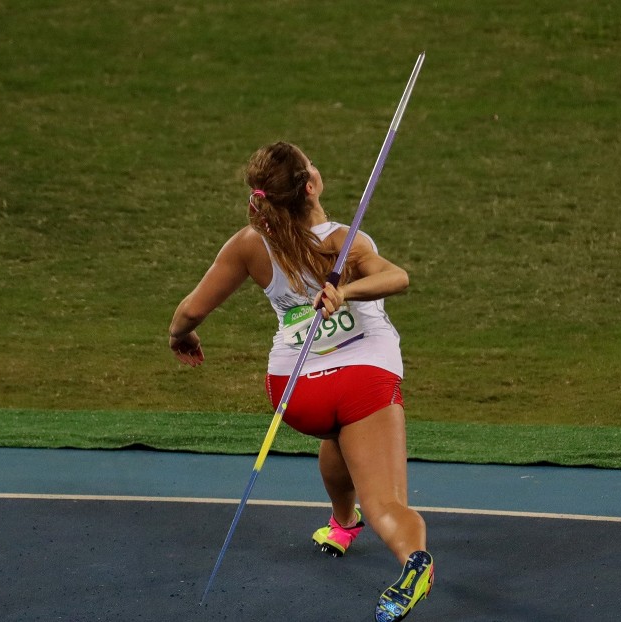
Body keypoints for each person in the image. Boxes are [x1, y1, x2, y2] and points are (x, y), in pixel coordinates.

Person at [168, 141, 433, 621]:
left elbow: (189, 311)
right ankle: (414, 562)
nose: (315, 166)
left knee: (338, 433)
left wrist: (179, 337)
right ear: (310, 186)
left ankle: (341, 523)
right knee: (387, 502)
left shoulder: (249, 244)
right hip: (363, 381)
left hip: (297, 391)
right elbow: (398, 277)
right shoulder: (346, 240)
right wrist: (349, 286)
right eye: (310, 164)